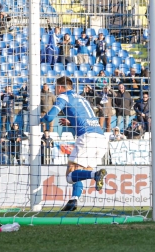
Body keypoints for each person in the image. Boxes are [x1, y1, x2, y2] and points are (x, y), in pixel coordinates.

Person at [40, 76, 108, 212]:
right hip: (101, 139)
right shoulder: (82, 98)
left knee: (70, 175)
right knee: (80, 172)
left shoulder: (63, 96)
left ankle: (96, 175)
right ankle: (73, 201)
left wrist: (36, 119)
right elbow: (86, 118)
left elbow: (49, 117)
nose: (54, 90)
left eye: (55, 87)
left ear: (60, 87)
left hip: (87, 138)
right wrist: (71, 123)